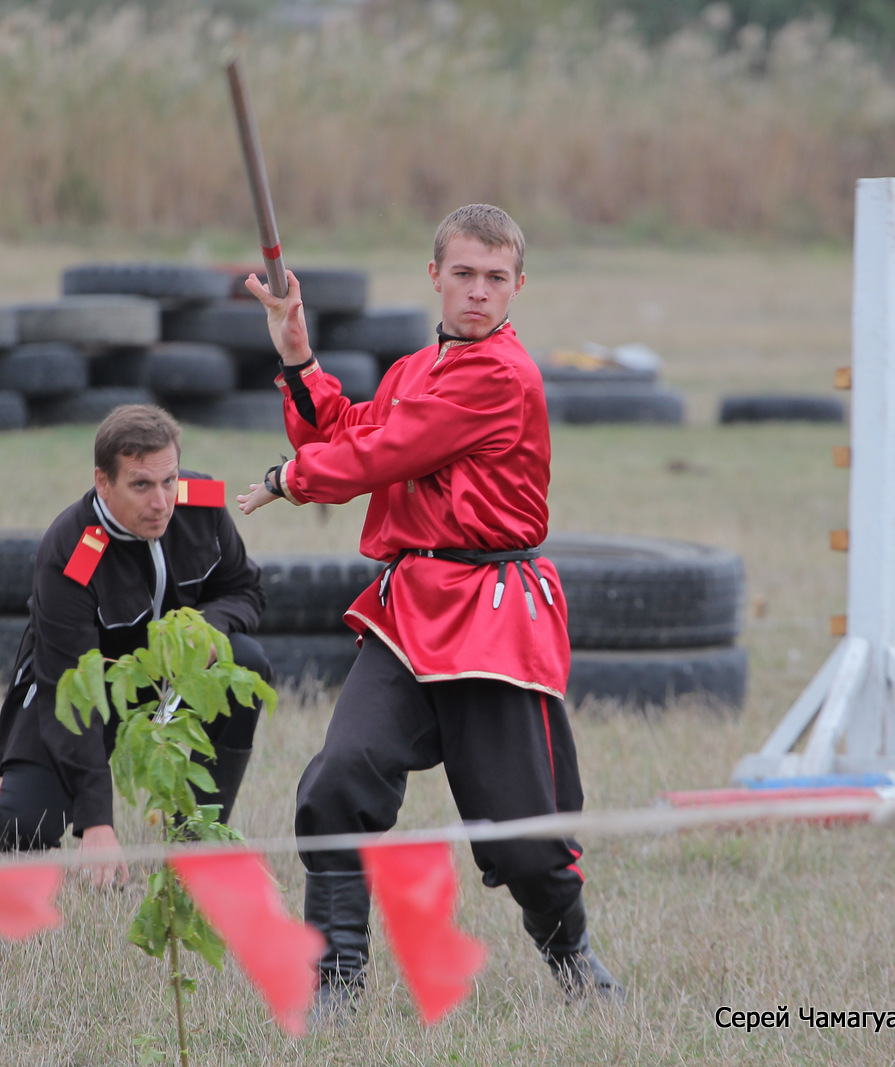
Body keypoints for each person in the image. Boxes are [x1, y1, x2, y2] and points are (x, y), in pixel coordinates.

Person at [236, 204, 622, 1006]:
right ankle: (337, 983)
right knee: (338, 778)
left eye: (495, 278)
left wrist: (289, 479)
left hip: (491, 618)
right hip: (408, 613)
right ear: (435, 277)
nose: (478, 292)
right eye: (463, 274)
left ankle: (576, 961)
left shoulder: (501, 376)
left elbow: (376, 454)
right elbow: (345, 428)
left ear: (519, 285)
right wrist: (298, 353)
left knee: (524, 845)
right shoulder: (418, 371)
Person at [0, 404, 270, 883]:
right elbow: (71, 691)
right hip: (80, 690)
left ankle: (194, 848)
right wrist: (95, 821)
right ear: (103, 482)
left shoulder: (201, 502)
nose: (161, 501)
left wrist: (210, 628)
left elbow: (246, 591)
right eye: (141, 485)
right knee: (28, 823)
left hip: (166, 682)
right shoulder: (73, 551)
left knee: (244, 663)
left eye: (169, 480)